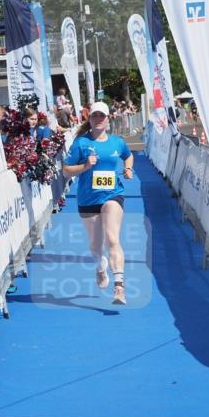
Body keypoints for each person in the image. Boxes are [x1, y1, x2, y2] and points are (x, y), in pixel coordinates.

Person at [63, 101, 134, 306]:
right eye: (95, 116)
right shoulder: (81, 143)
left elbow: (128, 157)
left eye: (102, 116)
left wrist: (128, 170)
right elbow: (66, 170)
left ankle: (119, 286)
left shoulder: (117, 142)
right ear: (90, 118)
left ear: (108, 119)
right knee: (96, 245)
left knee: (113, 238)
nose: (98, 119)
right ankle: (100, 267)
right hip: (87, 199)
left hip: (113, 194)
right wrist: (85, 166)